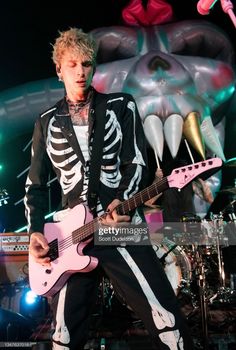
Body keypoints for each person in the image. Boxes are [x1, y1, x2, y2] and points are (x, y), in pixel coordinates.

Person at [24, 27, 194, 350]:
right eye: (72, 64)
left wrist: (123, 200)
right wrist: (35, 231)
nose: (80, 71)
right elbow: (35, 186)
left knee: (169, 324)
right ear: (59, 69)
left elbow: (138, 164)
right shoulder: (45, 122)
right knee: (63, 338)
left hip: (121, 227)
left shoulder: (121, 105)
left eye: (86, 64)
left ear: (94, 68)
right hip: (70, 237)